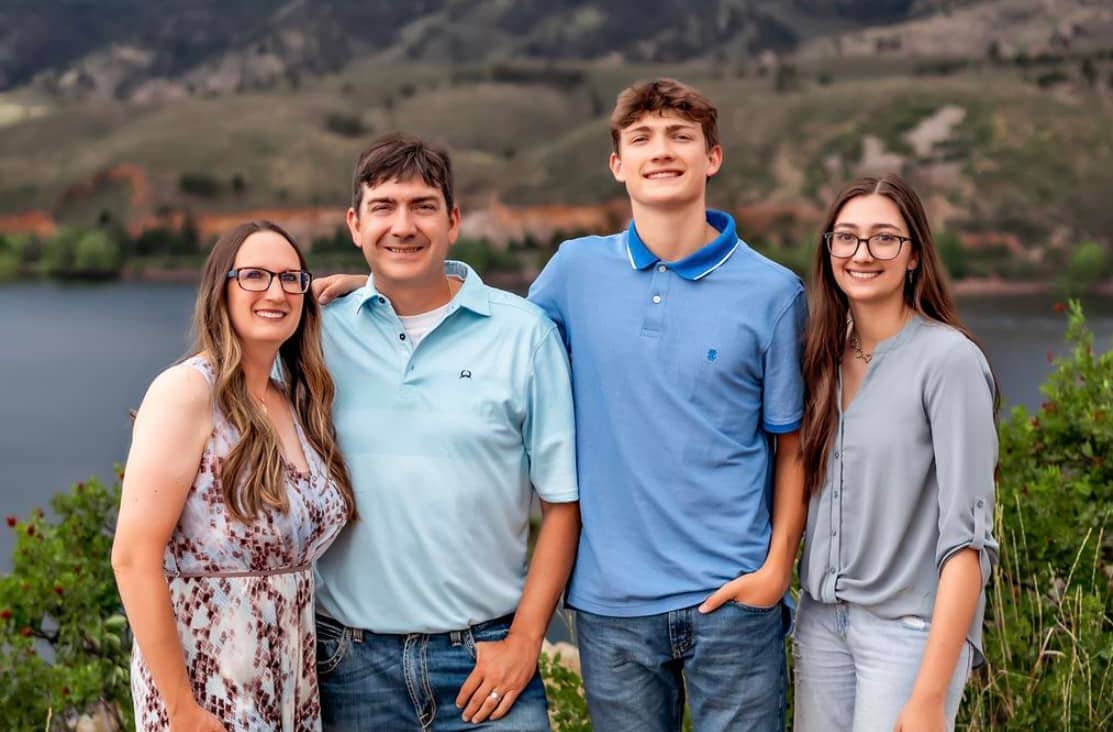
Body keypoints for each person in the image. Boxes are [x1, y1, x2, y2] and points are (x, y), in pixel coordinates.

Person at [528, 78, 806, 731]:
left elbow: (791, 447)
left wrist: (775, 572)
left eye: (680, 136)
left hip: (734, 601)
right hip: (611, 604)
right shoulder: (572, 273)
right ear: (618, 164)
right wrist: (380, 290)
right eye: (642, 138)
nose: (662, 151)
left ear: (712, 157)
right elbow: (495, 342)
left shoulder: (773, 292)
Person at [311, 133, 580, 731]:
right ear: (355, 225)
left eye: (422, 206)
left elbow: (563, 505)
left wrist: (525, 642)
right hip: (347, 668)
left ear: (453, 221)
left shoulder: (525, 336)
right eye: (383, 207)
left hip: (485, 662)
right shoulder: (317, 334)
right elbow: (227, 381)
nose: (402, 225)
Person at [112, 221, 356, 731]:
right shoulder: (186, 393)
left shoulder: (295, 400)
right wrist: (182, 710)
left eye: (293, 279)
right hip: (207, 692)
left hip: (292, 686)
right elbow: (134, 558)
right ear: (220, 288)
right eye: (255, 276)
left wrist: (369, 287)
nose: (276, 292)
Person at [793, 174, 999, 732]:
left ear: (914, 256)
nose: (862, 253)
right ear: (829, 247)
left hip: (907, 635)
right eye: (847, 237)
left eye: (884, 238)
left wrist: (930, 695)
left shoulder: (948, 362)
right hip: (818, 627)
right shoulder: (819, 358)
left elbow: (969, 541)